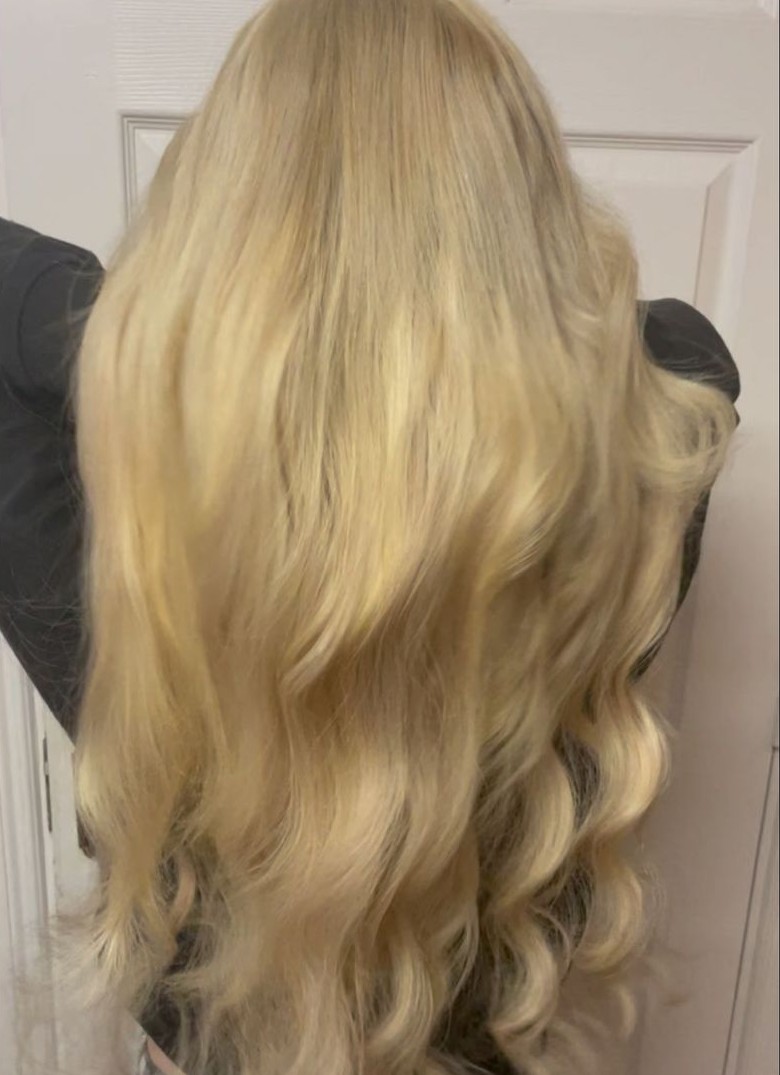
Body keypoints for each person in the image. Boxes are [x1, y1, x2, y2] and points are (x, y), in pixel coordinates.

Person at [0, 0, 740, 1072]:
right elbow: (687, 343)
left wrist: (191, 360)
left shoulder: (132, 534)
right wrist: (459, 359)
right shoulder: (633, 472)